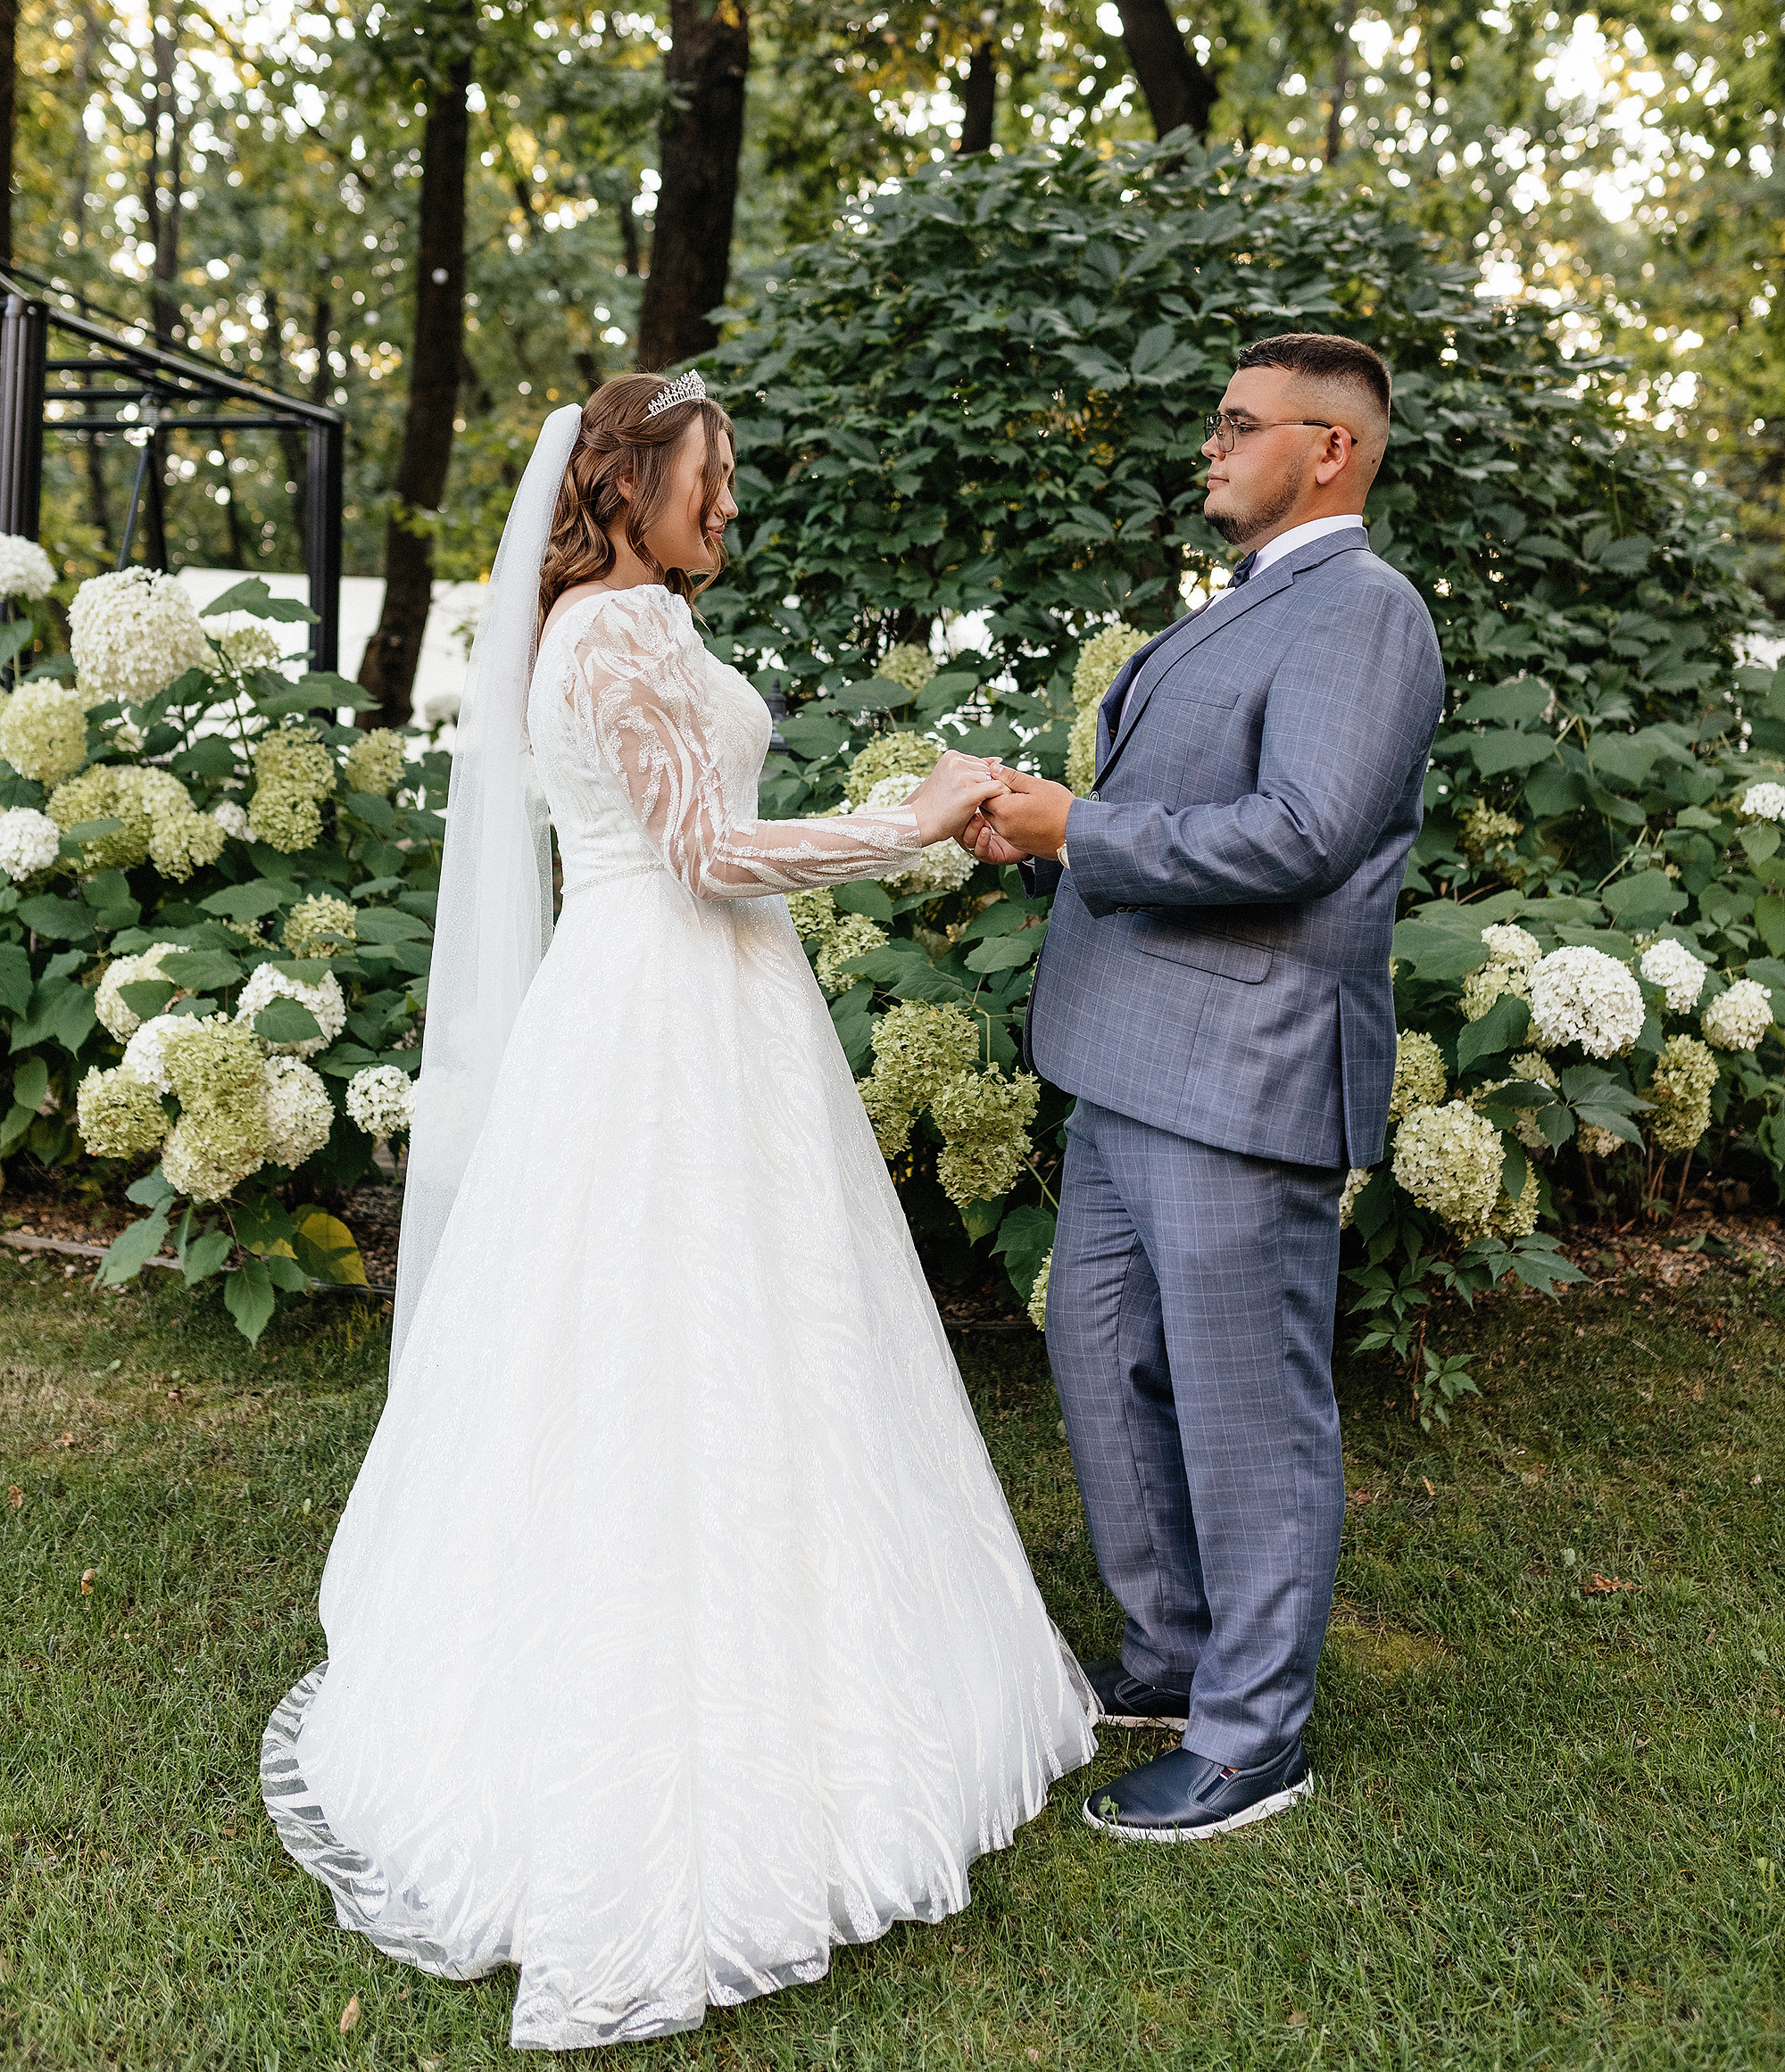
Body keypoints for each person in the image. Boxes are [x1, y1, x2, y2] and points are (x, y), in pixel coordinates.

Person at [261, 372, 1095, 2051]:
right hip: (660, 1009)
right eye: (708, 479)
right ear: (628, 484)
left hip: (706, 1008)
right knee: (652, 1351)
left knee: (765, 1337)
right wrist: (915, 819)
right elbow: (705, 854)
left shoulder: (627, 621)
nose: (730, 505)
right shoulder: (613, 635)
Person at [965, 332, 1444, 1844]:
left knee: (1251, 1408)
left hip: (1244, 1070)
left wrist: (1075, 833)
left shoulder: (1364, 612)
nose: (1212, 446)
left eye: (1240, 426)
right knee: (1100, 1359)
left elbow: (1300, 836)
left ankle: (1254, 1739)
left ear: (1331, 450)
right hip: (1127, 1061)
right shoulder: (1250, 605)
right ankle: (1172, 1658)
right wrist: (1056, 829)